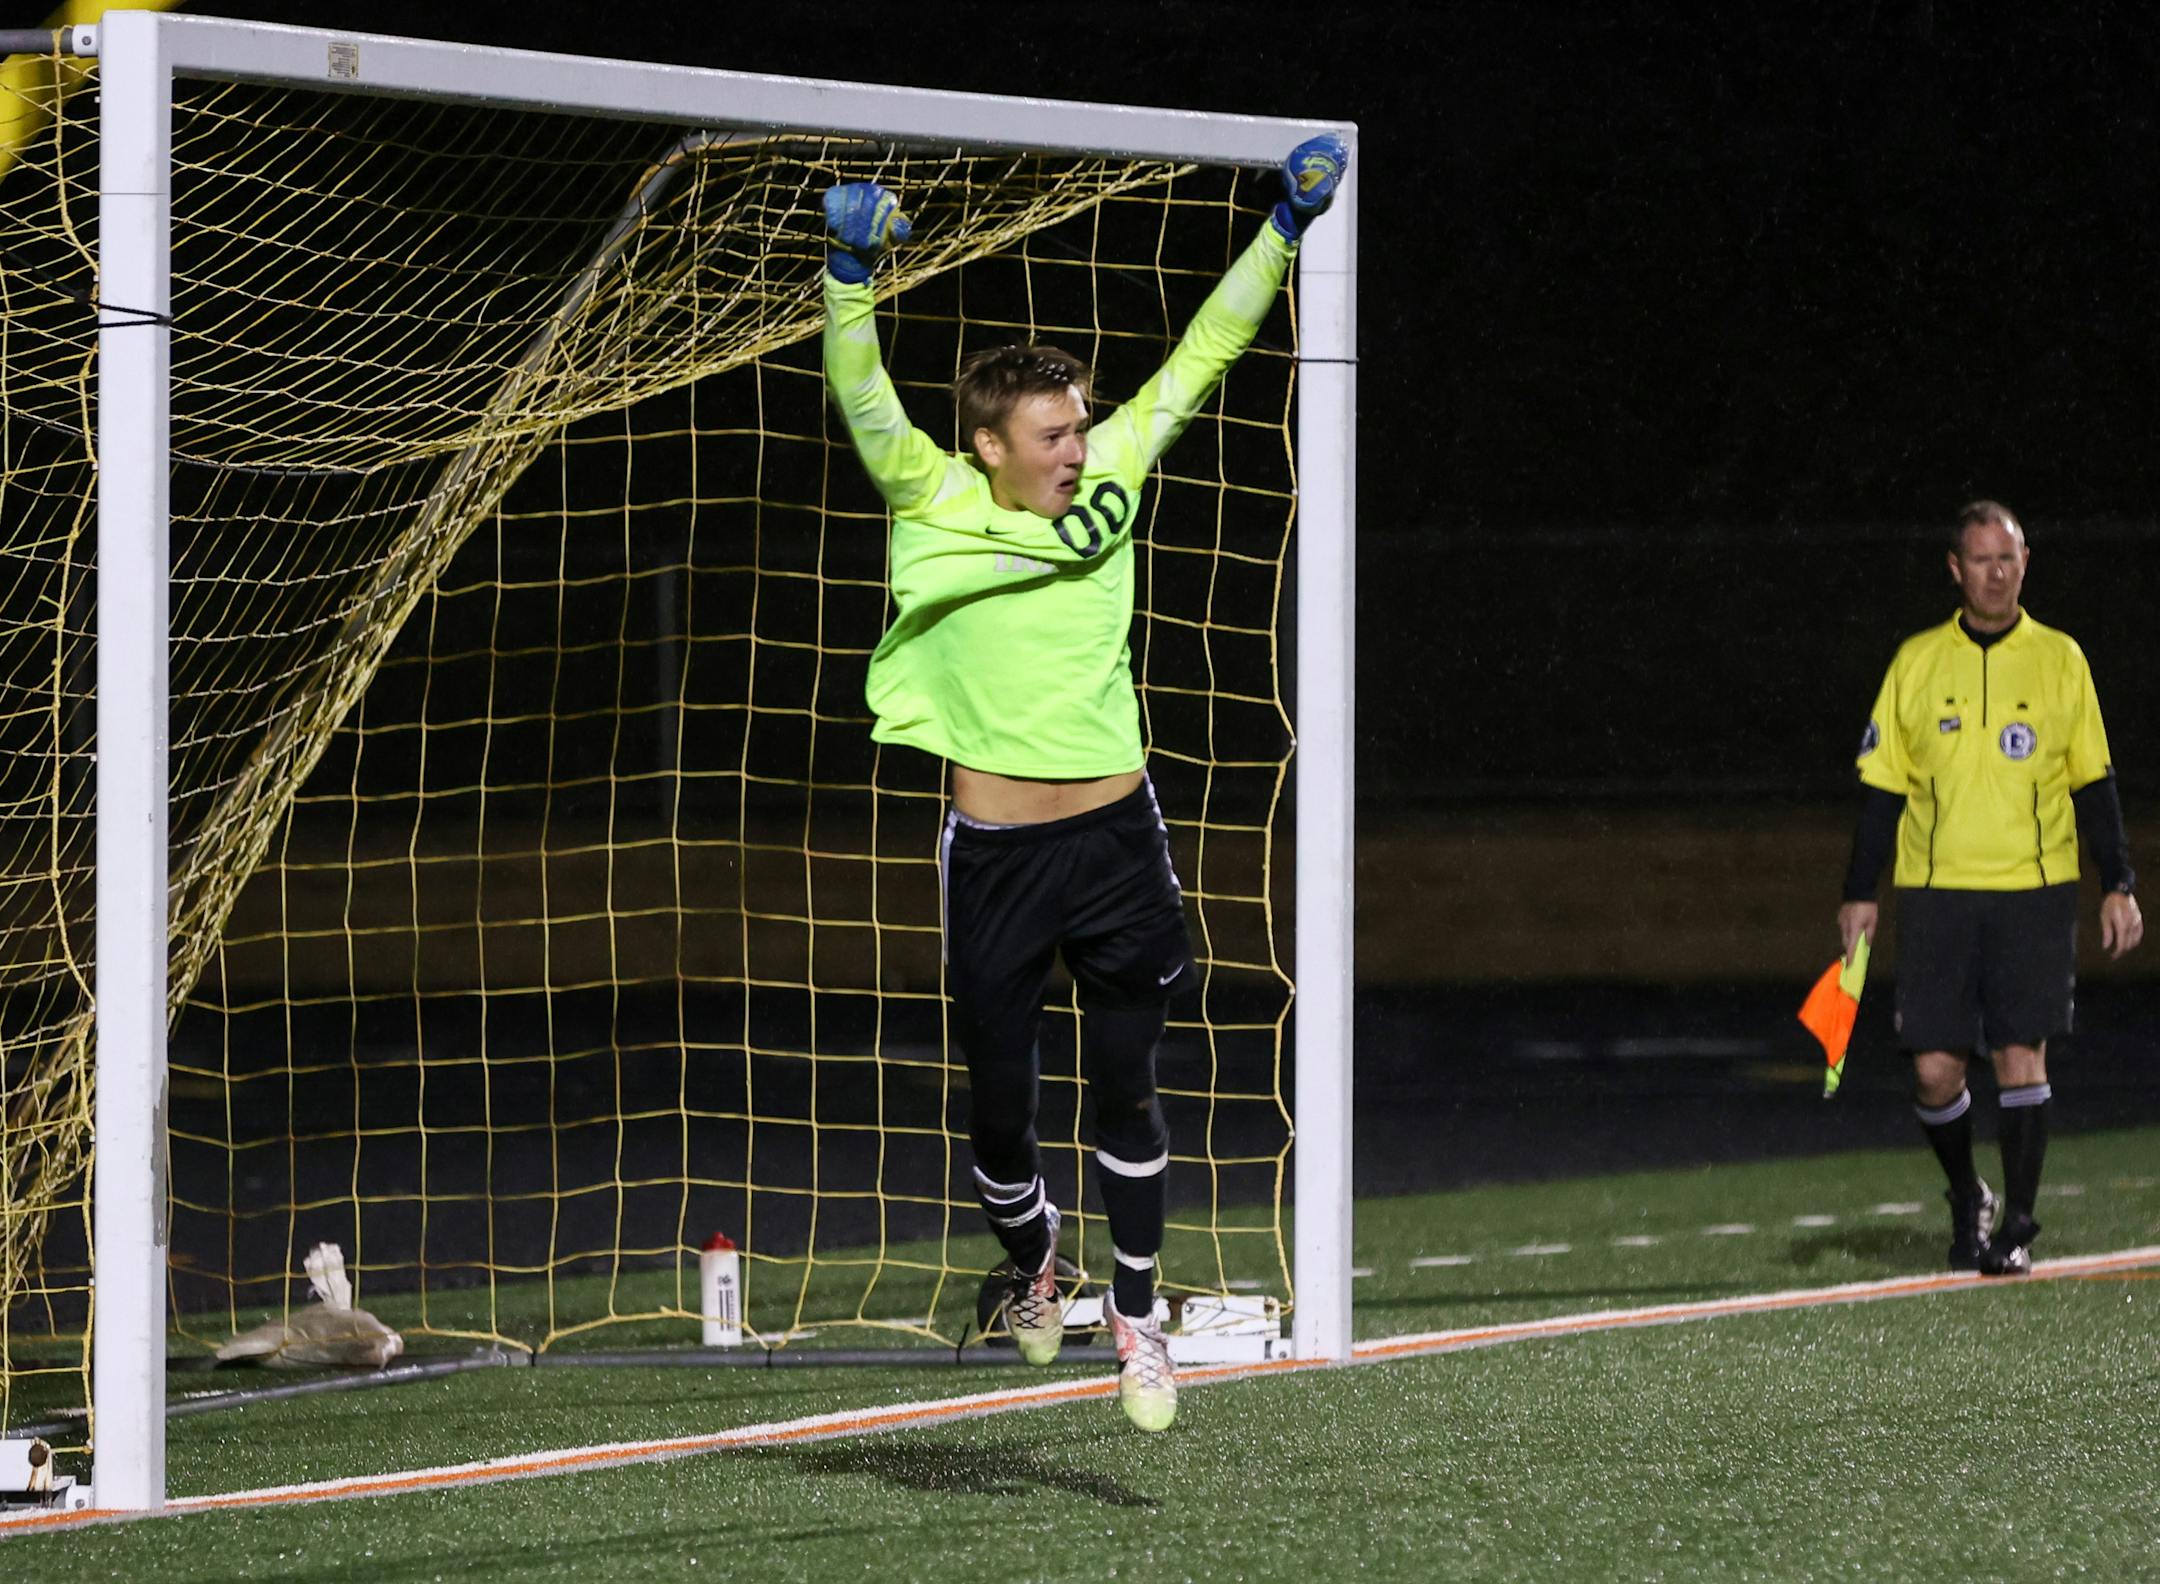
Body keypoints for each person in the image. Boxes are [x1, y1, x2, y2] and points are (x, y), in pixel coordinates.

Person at [819, 133, 1348, 1430]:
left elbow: (1206, 353)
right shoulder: (933, 496)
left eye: (1077, 428)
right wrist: (846, 274)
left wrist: (1283, 225)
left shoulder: (1114, 468)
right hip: (996, 855)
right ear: (990, 445)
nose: (1074, 448)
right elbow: (864, 389)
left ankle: (1136, 1316)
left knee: (1130, 1077)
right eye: (1050, 434)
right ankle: (1032, 1264)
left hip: (1116, 835)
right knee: (999, 1109)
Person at [1837, 501, 2141, 1276]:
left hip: (2033, 891)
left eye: (2008, 558)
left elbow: (2093, 779)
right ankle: (1967, 1192)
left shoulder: (2060, 659)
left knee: (2019, 1056)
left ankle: (2019, 1225)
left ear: (2025, 563)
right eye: (1981, 559)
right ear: (1955, 569)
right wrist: (1860, 890)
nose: (1996, 573)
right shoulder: (1916, 662)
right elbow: (1881, 789)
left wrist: (2120, 882)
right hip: (1936, 893)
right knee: (1934, 1069)